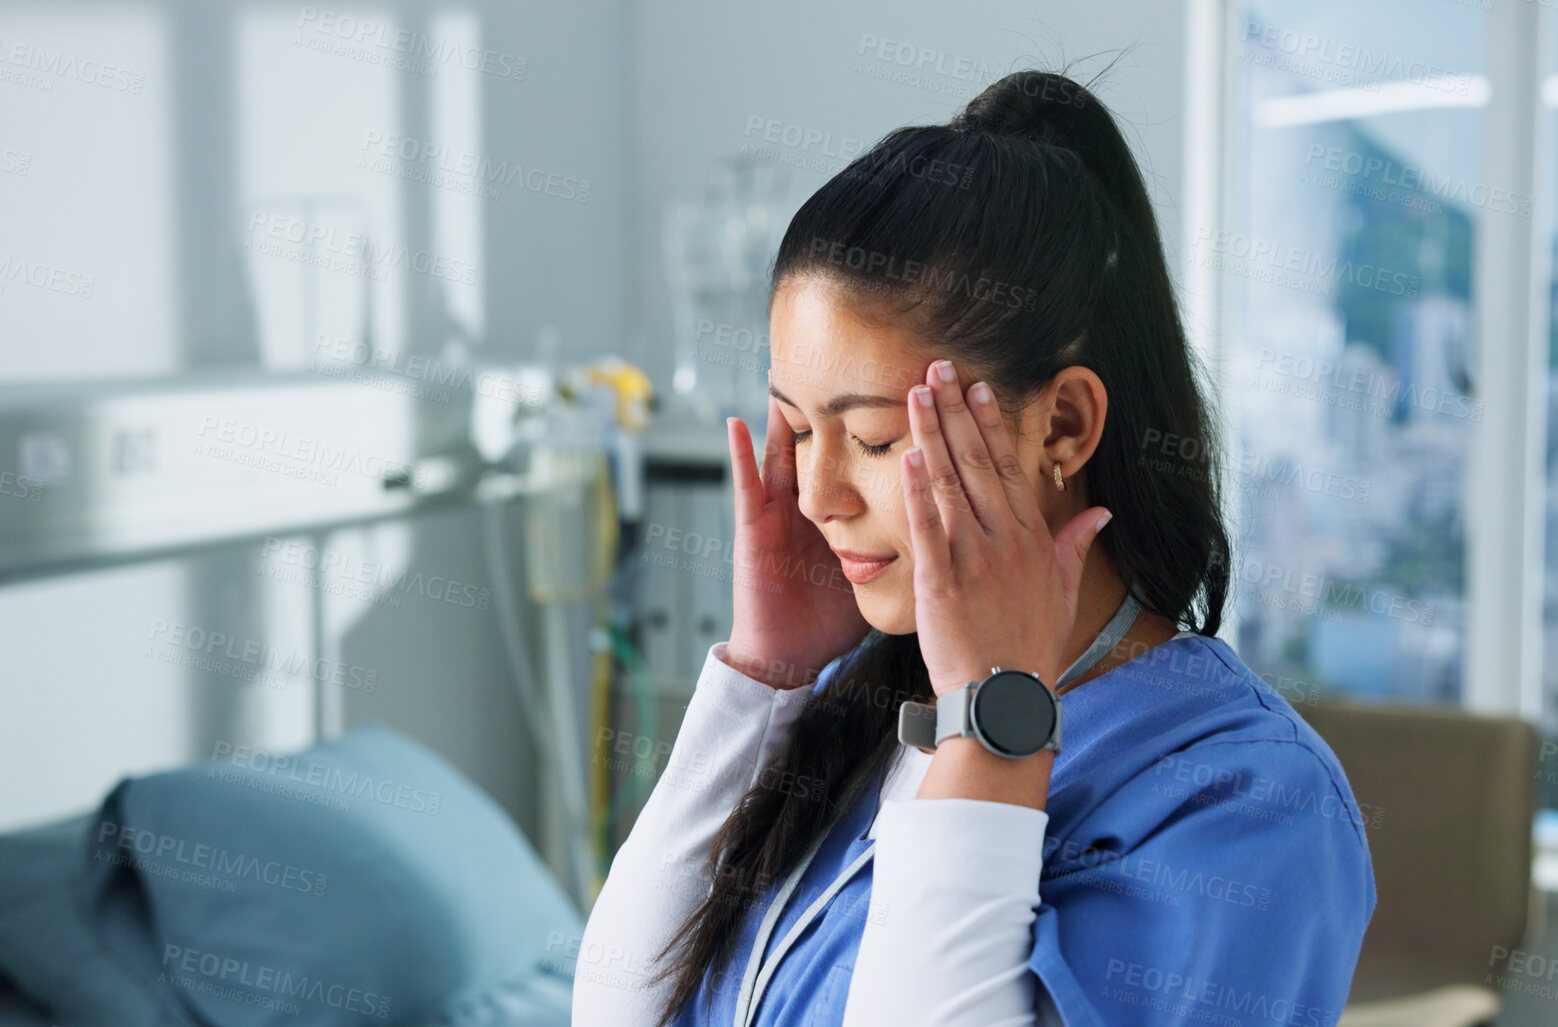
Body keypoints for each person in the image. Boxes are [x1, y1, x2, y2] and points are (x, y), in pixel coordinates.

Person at [571, 66, 1375, 1026]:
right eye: (796, 427)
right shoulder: (856, 712)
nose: (819, 498)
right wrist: (763, 678)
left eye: (871, 438)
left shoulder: (1249, 807)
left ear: (1064, 427)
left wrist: (994, 726)